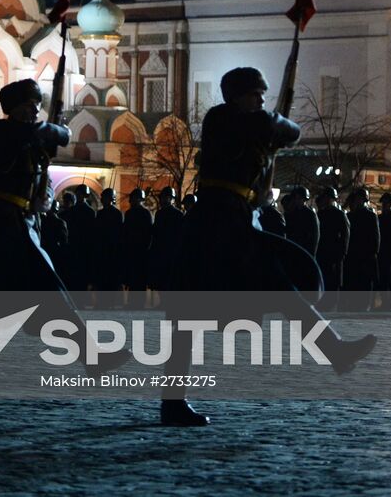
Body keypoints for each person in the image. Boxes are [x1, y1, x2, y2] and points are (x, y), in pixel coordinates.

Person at [160, 67, 375, 426]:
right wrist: (274, 123)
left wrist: (274, 127)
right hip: (216, 222)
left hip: (237, 220)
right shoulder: (223, 118)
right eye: (255, 93)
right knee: (191, 314)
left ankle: (333, 349)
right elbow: (287, 130)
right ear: (237, 95)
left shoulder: (253, 124)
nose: (261, 99)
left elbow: (287, 132)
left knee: (275, 285)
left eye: (263, 94)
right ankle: (173, 401)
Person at [0, 80, 125, 416]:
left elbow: (49, 144)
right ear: (12, 108)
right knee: (34, 292)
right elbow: (51, 134)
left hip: (21, 224)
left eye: (37, 104)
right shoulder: (3, 131)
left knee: (7, 310)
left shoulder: (29, 137)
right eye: (29, 104)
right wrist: (52, 128)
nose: (34, 110)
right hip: (0, 228)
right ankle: (92, 357)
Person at [341, 188, 379, 312]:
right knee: (355, 284)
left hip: (364, 256)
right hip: (355, 255)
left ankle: (361, 306)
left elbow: (375, 238)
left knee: (363, 284)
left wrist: (372, 254)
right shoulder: (351, 215)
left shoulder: (370, 216)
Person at [148, 187, 186, 303]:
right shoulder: (160, 214)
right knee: (160, 280)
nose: (164, 200)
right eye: (163, 197)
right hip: (161, 251)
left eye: (167, 198)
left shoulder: (178, 215)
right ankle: (164, 301)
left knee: (168, 280)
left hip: (171, 253)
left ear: (172, 199)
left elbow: (180, 235)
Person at [314, 187, 349, 310]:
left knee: (333, 281)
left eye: (328, 198)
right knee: (323, 278)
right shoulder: (320, 214)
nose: (326, 200)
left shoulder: (339, 214)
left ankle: (331, 303)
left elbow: (345, 235)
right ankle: (323, 302)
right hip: (322, 251)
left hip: (334, 253)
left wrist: (341, 253)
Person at [122, 188, 153, 308]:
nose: (131, 200)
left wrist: (145, 248)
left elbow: (148, 233)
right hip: (132, 250)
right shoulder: (129, 213)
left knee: (139, 279)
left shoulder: (145, 213)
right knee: (132, 278)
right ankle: (132, 301)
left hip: (140, 251)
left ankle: (139, 302)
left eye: (134, 198)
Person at [94, 188, 124, 308]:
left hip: (112, 252)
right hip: (102, 252)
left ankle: (109, 303)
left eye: (104, 197)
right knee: (102, 280)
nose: (102, 199)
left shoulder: (117, 214)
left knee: (110, 281)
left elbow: (119, 234)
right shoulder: (100, 213)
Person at [282, 186, 319, 257]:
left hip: (305, 250)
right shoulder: (291, 213)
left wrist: (312, 255)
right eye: (296, 198)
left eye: (300, 198)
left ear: (305, 199)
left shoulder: (310, 215)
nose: (297, 200)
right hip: (293, 248)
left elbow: (315, 237)